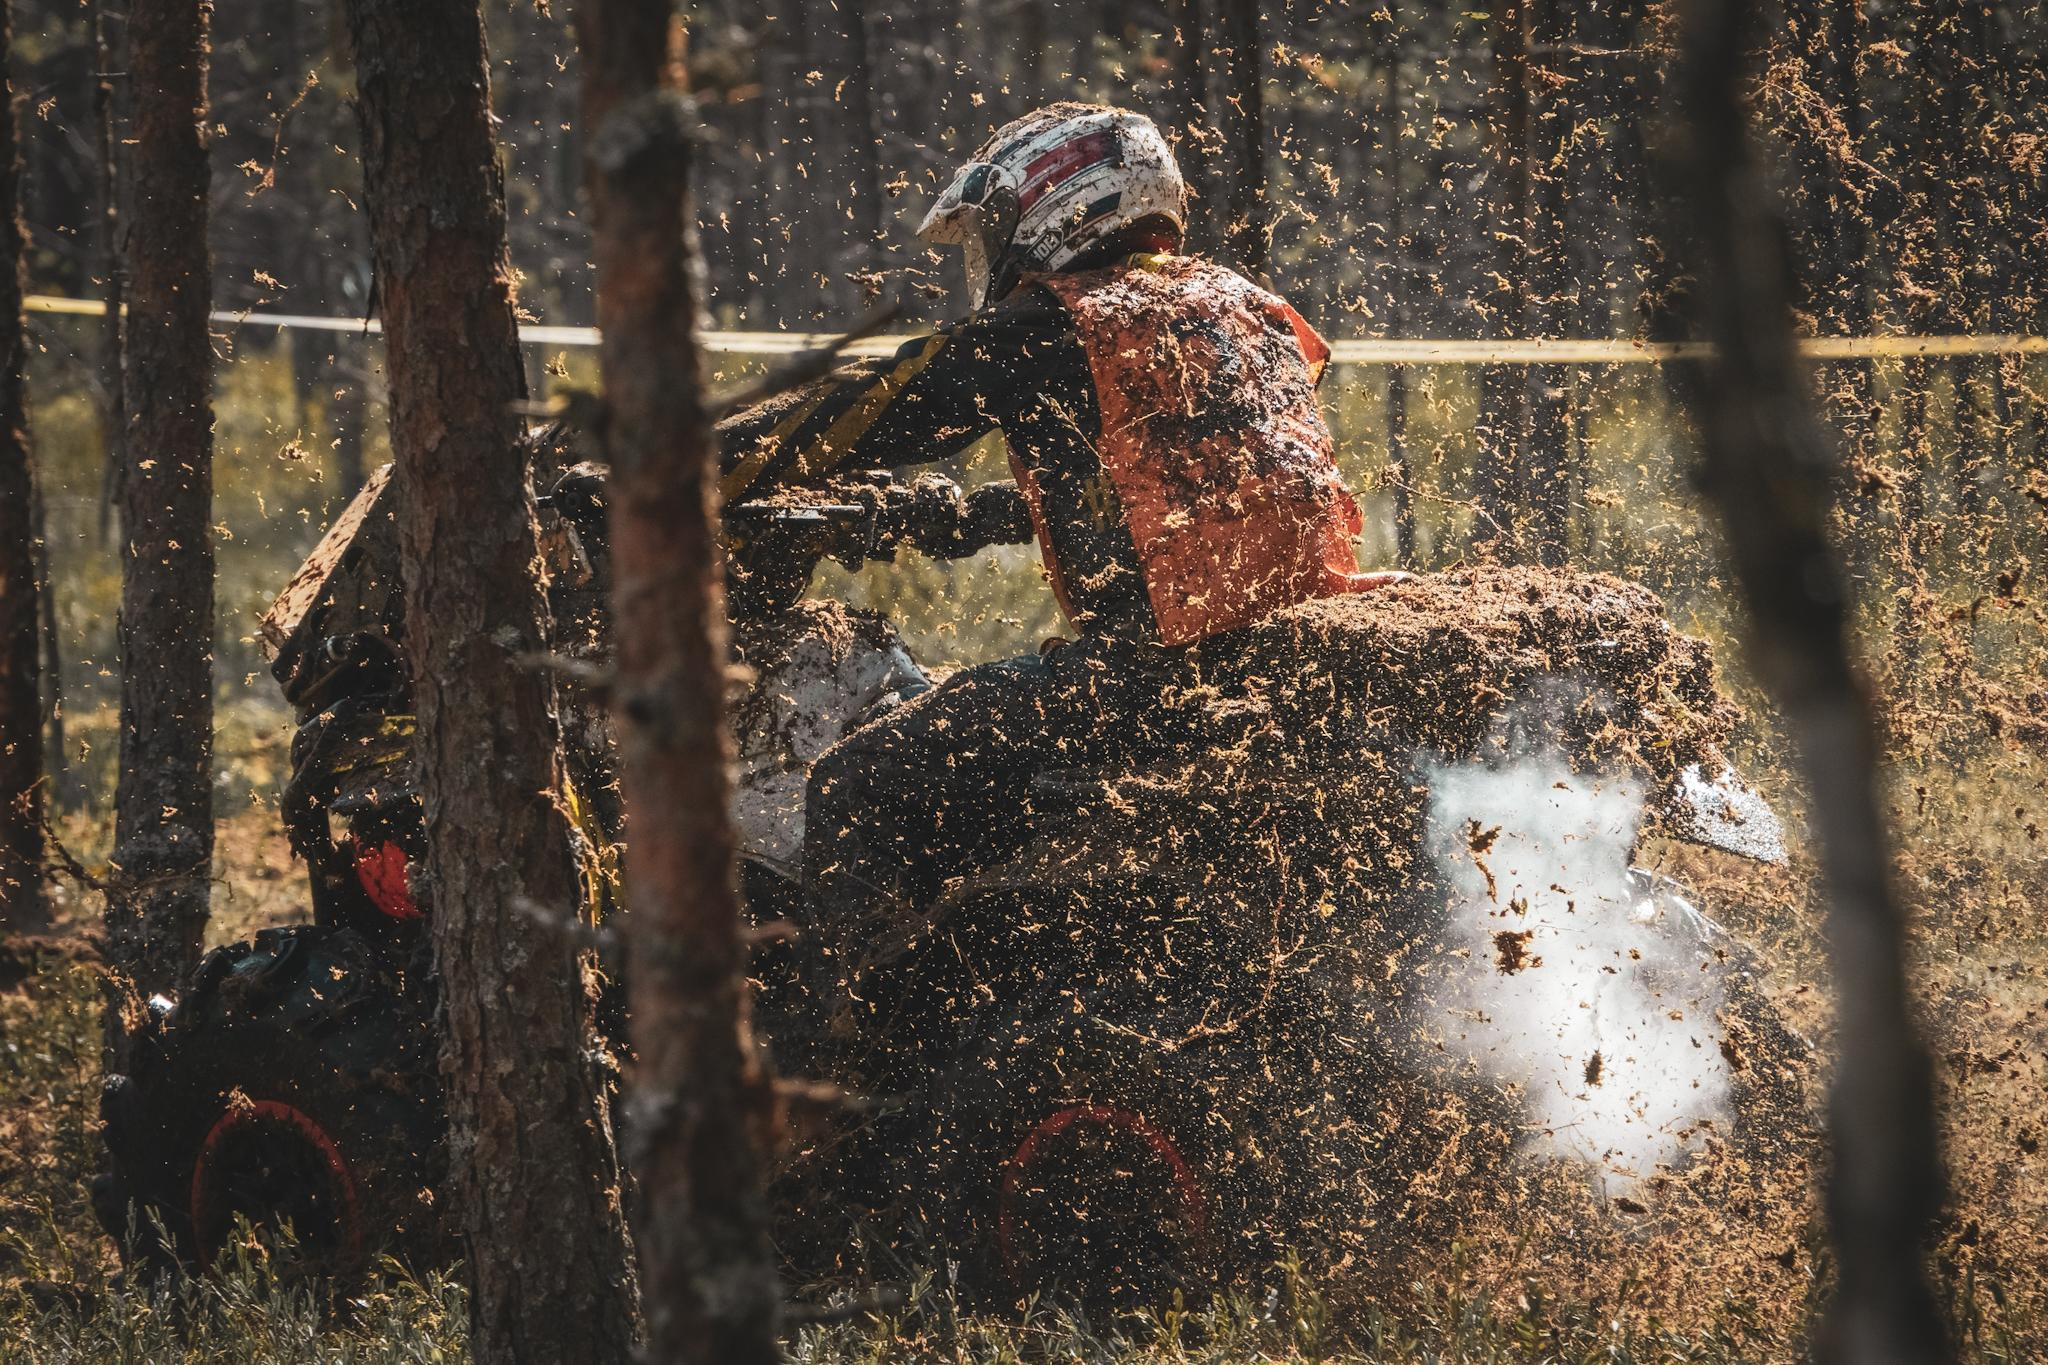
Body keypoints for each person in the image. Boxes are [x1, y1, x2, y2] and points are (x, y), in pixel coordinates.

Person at [716, 102, 1402, 980]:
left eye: (993, 225)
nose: (988, 252)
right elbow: (1158, 481)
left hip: (1156, 675)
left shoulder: (1057, 326)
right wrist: (955, 518)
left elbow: (860, 412)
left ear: (1051, 207)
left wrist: (677, 468)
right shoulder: (1231, 303)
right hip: (1285, 640)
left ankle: (848, 1060)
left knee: (855, 785)